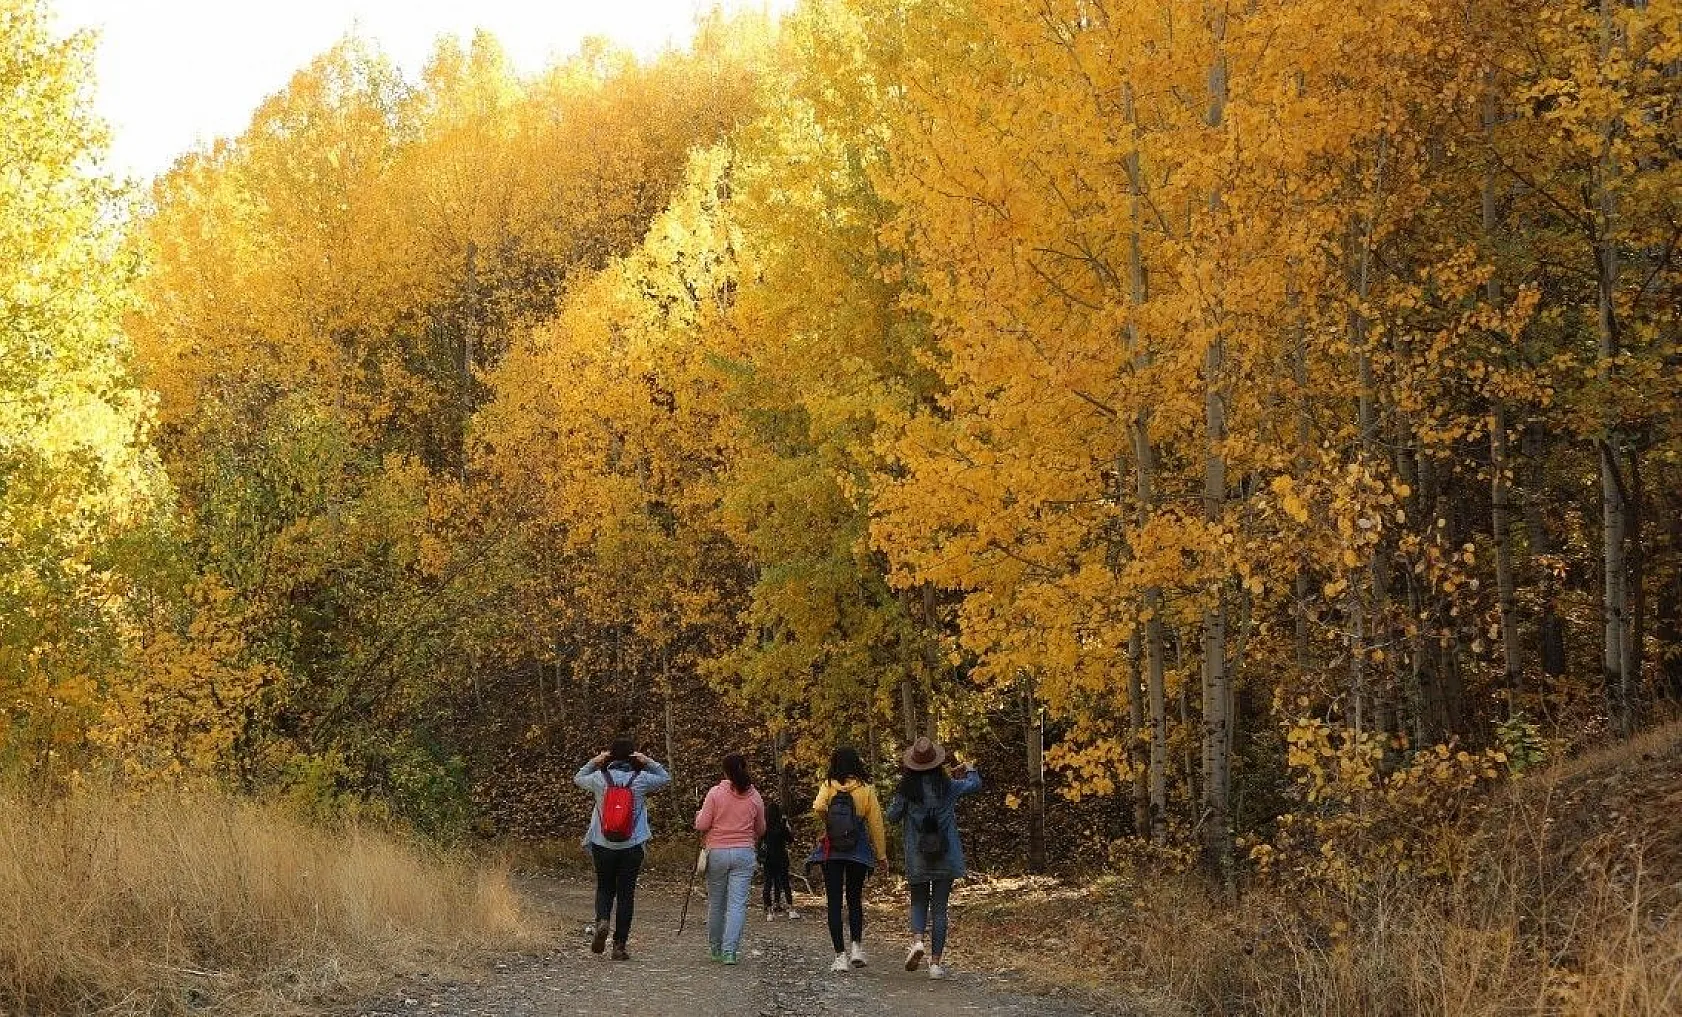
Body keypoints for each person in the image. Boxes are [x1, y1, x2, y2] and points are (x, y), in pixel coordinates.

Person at [885, 736, 981, 980]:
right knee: (940, 909)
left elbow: (892, 816)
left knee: (918, 901)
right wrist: (968, 769)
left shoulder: (907, 791)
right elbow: (975, 785)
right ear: (937, 764)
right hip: (945, 855)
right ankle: (936, 965)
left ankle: (917, 940)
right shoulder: (947, 787)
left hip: (918, 856)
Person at [574, 737, 670, 960]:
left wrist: (595, 761)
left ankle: (602, 920)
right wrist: (647, 761)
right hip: (632, 845)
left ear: (609, 757)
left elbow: (578, 778)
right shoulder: (642, 779)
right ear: (632, 757)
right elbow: (665, 777)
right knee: (626, 894)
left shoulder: (599, 778)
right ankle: (619, 946)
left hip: (602, 843)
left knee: (605, 887)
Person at [807, 746, 887, 973]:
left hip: (832, 849)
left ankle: (839, 956)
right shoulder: (866, 790)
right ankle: (856, 949)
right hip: (858, 848)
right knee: (854, 898)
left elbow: (818, 806)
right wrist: (881, 854)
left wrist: (829, 822)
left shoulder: (828, 786)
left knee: (833, 901)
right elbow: (876, 824)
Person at [693, 752, 766, 965]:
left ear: (724, 771)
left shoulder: (715, 793)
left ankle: (715, 947)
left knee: (716, 903)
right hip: (744, 852)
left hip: (717, 852)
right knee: (737, 904)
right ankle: (730, 951)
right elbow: (761, 829)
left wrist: (698, 815)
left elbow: (702, 825)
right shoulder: (755, 796)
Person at [759, 800, 799, 920]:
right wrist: (787, 826)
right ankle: (791, 909)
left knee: (767, 883)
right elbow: (791, 840)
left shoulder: (764, 827)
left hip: (768, 858)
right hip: (781, 857)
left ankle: (769, 912)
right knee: (785, 883)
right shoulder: (781, 826)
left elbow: (759, 840)